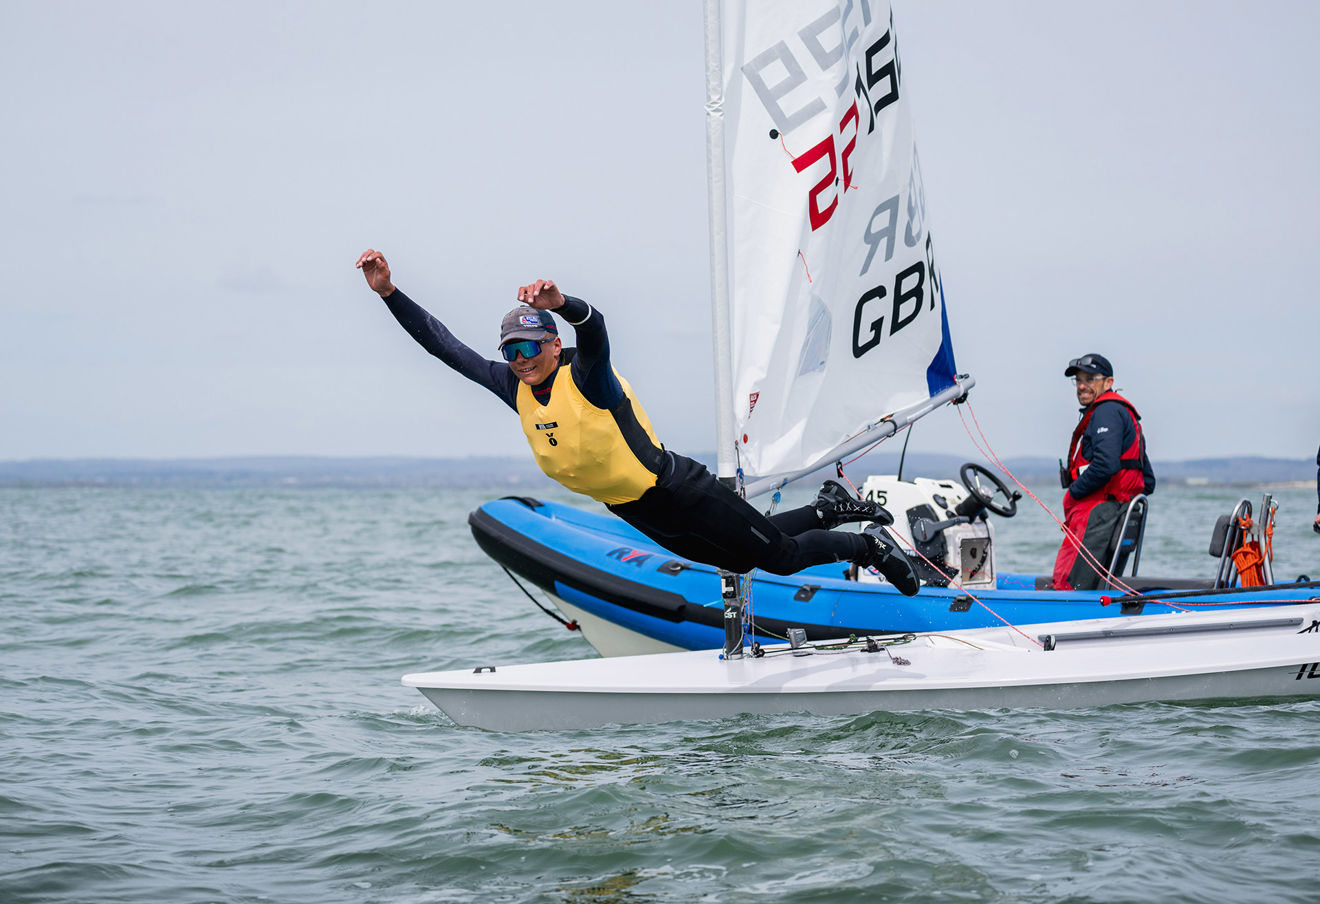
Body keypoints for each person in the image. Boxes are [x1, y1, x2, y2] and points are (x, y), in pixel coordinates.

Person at [354, 249, 920, 594]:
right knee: (739, 557)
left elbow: (595, 330)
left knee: (778, 559)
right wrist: (389, 294)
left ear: (552, 343)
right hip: (636, 509)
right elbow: (446, 349)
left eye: (529, 346)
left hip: (680, 489)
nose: (520, 359)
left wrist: (565, 303)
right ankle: (826, 507)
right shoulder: (515, 387)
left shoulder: (587, 377)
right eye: (510, 351)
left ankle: (867, 547)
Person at [1051, 353, 1156, 591]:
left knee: (1070, 586)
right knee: (1097, 585)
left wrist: (1073, 493)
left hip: (1098, 513)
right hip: (1119, 511)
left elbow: (1106, 466)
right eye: (1078, 380)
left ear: (1108, 382)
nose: (1081, 386)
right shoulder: (1123, 413)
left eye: (1089, 379)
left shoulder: (1106, 411)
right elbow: (1148, 480)